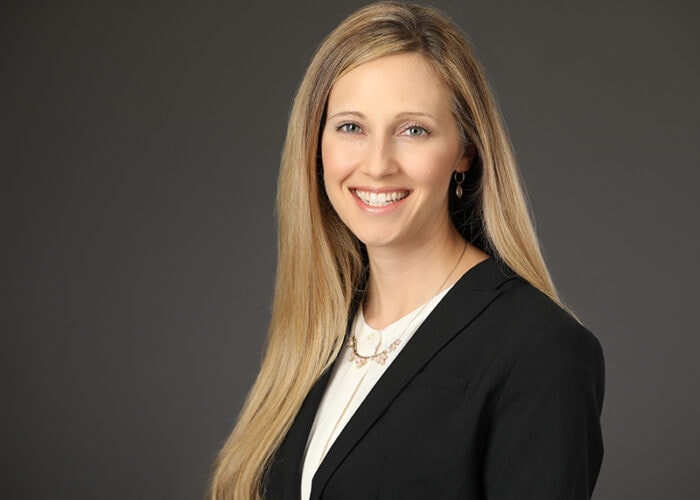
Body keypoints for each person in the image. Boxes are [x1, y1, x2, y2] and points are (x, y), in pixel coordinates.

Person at [210, 2, 605, 499]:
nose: (376, 166)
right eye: (351, 126)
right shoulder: (318, 332)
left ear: (465, 150)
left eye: (413, 130)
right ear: (315, 143)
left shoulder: (541, 350)